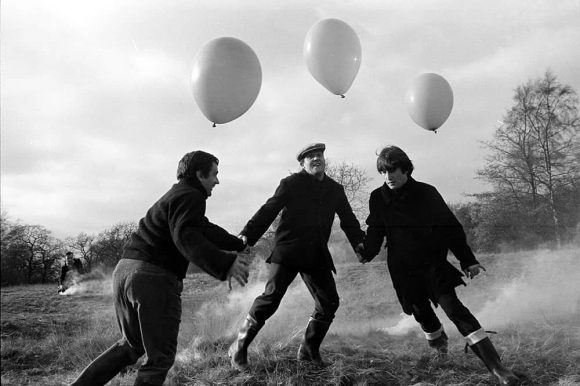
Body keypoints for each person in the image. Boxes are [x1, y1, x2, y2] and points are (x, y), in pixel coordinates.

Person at [70, 150, 251, 386]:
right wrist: (225, 264)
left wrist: (238, 243)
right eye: (214, 174)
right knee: (161, 356)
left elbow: (202, 228)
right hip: (153, 278)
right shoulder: (191, 196)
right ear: (199, 174)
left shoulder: (176, 195)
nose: (217, 181)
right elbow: (185, 235)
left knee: (131, 345)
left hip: (125, 272)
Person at [360, 146, 520, 386]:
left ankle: (497, 368)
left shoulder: (427, 193)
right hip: (402, 268)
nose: (388, 177)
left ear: (405, 169)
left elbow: (451, 228)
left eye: (393, 170)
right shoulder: (378, 197)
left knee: (454, 309)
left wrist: (468, 260)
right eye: (383, 172)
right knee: (420, 312)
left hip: (432, 264)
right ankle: (439, 347)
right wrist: (366, 252)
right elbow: (375, 230)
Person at [228, 143, 365, 370]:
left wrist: (359, 244)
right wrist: (248, 234)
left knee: (329, 302)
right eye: (310, 157)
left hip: (316, 254)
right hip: (289, 250)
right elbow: (269, 208)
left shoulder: (335, 189)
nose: (316, 159)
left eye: (319, 155)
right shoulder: (291, 184)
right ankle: (238, 347)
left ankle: (309, 351)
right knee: (271, 299)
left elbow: (349, 220)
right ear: (302, 163)